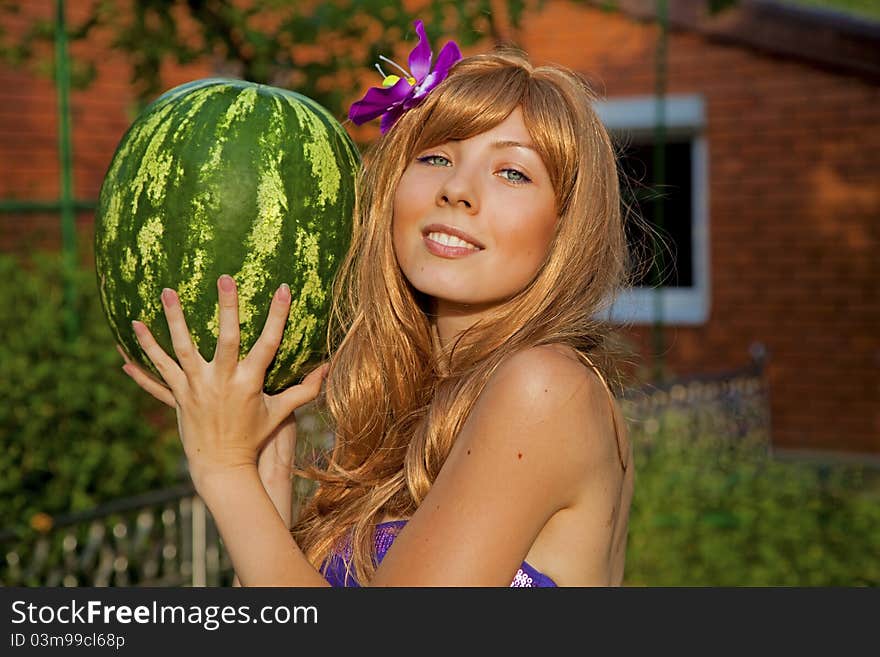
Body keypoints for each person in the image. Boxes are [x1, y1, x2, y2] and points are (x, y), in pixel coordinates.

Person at [119, 20, 637, 587]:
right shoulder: (416, 403)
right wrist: (262, 463)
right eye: (437, 157)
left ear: (566, 228)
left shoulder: (544, 388)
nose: (456, 189)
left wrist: (224, 471)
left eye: (512, 171)